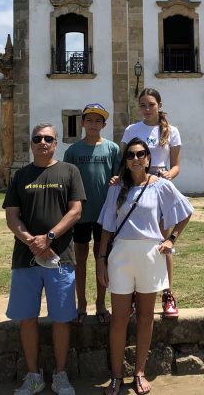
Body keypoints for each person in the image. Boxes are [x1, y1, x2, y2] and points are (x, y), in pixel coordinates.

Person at [97, 137, 193, 395]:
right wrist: (100, 260)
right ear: (125, 161)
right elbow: (107, 227)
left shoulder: (160, 186)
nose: (136, 159)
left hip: (150, 255)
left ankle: (139, 372)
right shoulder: (116, 188)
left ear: (149, 158)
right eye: (131, 155)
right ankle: (116, 376)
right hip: (121, 256)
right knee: (119, 319)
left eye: (141, 154)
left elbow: (186, 211)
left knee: (145, 317)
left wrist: (170, 239)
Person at [3, 123, 86, 395]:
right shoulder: (21, 175)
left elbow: (75, 211)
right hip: (25, 259)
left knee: (62, 319)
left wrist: (48, 237)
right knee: (27, 318)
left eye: (48, 138)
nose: (42, 142)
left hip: (60, 258)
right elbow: (12, 216)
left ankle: (60, 375)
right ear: (31, 143)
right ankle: (33, 375)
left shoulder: (69, 171)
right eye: (37, 138)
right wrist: (31, 241)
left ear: (56, 142)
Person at [120, 88, 182, 318]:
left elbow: (175, 165)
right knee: (136, 238)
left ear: (159, 105)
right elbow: (123, 159)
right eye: (143, 105)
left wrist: (168, 176)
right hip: (135, 184)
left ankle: (167, 294)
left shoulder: (171, 131)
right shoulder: (132, 130)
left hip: (158, 185)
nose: (147, 109)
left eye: (151, 105)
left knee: (163, 241)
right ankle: (136, 295)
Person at [63, 103, 121, 324]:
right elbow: (66, 181)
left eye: (98, 120)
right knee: (79, 259)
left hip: (104, 214)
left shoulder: (112, 149)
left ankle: (100, 303)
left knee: (101, 257)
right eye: (90, 120)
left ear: (104, 124)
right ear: (82, 123)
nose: (94, 124)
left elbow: (118, 178)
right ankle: (81, 303)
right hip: (80, 214)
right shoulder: (73, 151)